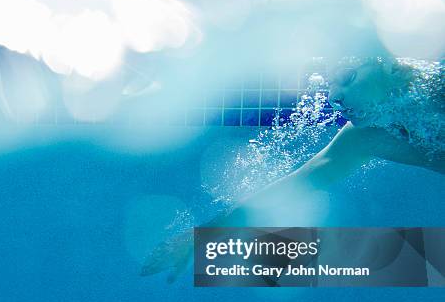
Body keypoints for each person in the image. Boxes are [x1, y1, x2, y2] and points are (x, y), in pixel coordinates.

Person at [141, 57, 444, 283]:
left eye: (347, 77)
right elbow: (292, 187)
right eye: (329, 88)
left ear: (392, 66)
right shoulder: (366, 137)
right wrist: (199, 237)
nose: (335, 98)